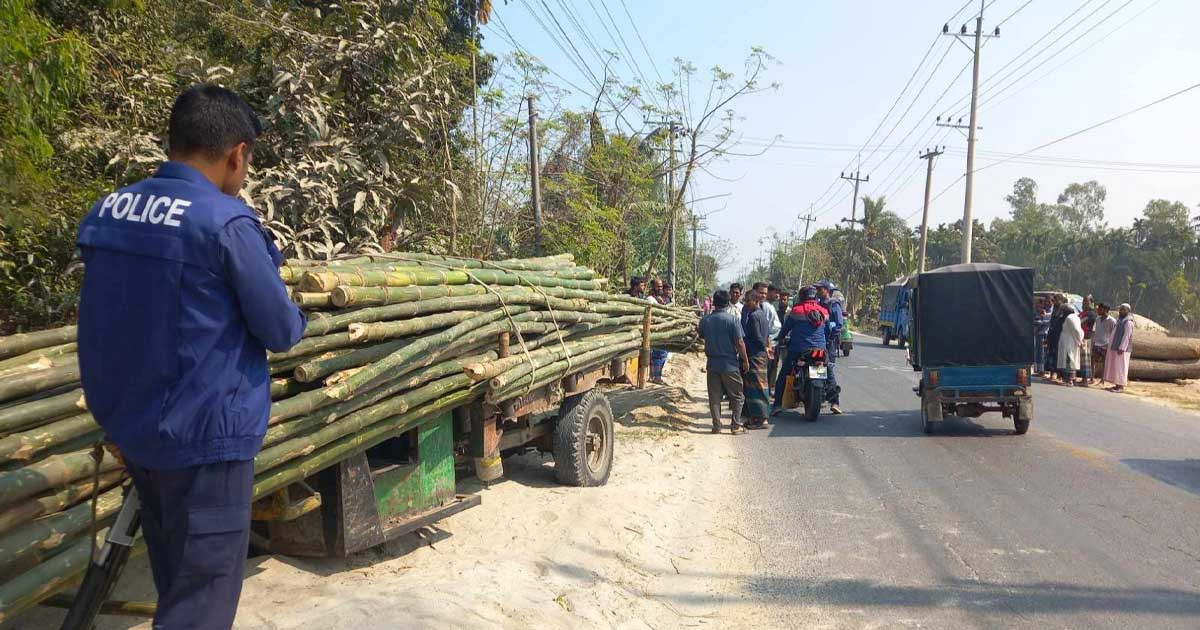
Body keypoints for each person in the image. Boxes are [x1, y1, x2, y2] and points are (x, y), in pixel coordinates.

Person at [76, 84, 307, 629]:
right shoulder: (224, 223)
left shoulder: (109, 211)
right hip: (205, 440)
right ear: (236, 153)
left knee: (174, 577)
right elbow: (279, 328)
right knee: (200, 602)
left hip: (135, 433)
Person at [771, 286, 828, 415]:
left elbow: (785, 329)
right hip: (820, 350)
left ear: (802, 297)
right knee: (827, 370)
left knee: (784, 375)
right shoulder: (824, 311)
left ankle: (777, 405)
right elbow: (828, 331)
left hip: (798, 350)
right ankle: (833, 397)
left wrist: (780, 338)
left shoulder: (796, 311)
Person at [698, 290, 750, 434]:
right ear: (728, 303)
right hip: (730, 364)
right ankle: (735, 425)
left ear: (714, 303)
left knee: (714, 396)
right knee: (738, 396)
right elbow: (739, 342)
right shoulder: (733, 320)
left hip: (712, 364)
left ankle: (716, 425)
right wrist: (745, 359)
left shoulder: (705, 320)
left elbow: (701, 336)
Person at [740, 290, 772, 429]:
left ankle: (760, 418)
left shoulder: (753, 316)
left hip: (755, 355)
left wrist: (764, 347)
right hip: (761, 355)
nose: (746, 304)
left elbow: (758, 337)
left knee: (754, 387)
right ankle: (758, 418)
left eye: (748, 301)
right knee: (762, 385)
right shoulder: (762, 315)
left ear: (755, 301)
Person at [815, 280, 844, 414]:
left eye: (820, 289)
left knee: (829, 369)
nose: (818, 292)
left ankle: (835, 401)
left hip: (830, 343)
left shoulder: (834, 305)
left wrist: (831, 339)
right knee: (818, 368)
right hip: (818, 342)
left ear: (827, 290)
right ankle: (817, 397)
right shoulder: (817, 305)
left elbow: (839, 325)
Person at [754, 282, 783, 386]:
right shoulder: (762, 306)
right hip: (767, 344)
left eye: (765, 293)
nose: (763, 295)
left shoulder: (768, 306)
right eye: (761, 292)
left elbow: (772, 326)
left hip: (770, 343)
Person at [1105, 303, 1134, 392]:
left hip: (1123, 350)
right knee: (1117, 367)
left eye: (1124, 309)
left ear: (1128, 311)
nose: (1121, 311)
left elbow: (1126, 336)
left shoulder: (1128, 322)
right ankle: (1117, 385)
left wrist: (1122, 348)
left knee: (1122, 367)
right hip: (1116, 347)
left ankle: (1121, 387)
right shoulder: (1120, 320)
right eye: (1121, 309)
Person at [1056, 305, 1085, 386]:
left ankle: (1069, 380)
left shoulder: (1070, 318)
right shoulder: (1073, 317)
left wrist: (1080, 341)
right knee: (1069, 360)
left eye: (1063, 311)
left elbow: (1077, 330)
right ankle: (1071, 379)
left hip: (1069, 341)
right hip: (1068, 340)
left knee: (1069, 360)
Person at [1091, 303, 1116, 386]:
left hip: (1106, 344)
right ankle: (1092, 378)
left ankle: (1102, 380)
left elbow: (1114, 333)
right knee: (1093, 360)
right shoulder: (1097, 319)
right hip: (1096, 343)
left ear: (1105, 310)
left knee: (1104, 363)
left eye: (1100, 309)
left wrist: (1111, 344)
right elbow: (1095, 330)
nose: (1098, 310)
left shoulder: (1112, 321)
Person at [1045, 295, 1067, 379]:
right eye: (1054, 300)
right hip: (1052, 334)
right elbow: (1051, 322)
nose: (1055, 302)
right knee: (1051, 354)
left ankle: (1058, 375)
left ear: (1061, 301)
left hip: (1059, 335)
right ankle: (1051, 373)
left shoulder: (1064, 310)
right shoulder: (1054, 309)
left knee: (1058, 355)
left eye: (1056, 300)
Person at [1078, 295, 1097, 385]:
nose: (1084, 303)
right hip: (1080, 337)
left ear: (1091, 303)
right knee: (1081, 360)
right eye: (1084, 301)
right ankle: (1083, 379)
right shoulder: (1082, 312)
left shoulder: (1091, 314)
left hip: (1086, 338)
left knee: (1085, 360)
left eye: (1086, 301)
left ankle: (1085, 380)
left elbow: (1080, 322)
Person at [1034, 300, 1052, 373]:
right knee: (1038, 351)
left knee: (1042, 352)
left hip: (1044, 334)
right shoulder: (1040, 312)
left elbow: (1048, 322)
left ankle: (1042, 370)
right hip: (1038, 333)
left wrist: (1038, 322)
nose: (1047, 303)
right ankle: (1038, 369)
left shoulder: (1049, 313)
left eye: (1038, 306)